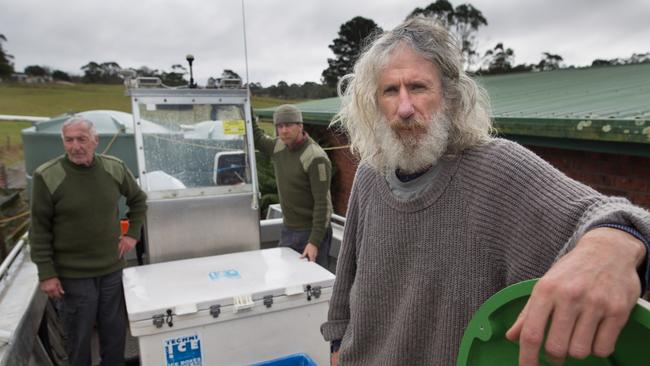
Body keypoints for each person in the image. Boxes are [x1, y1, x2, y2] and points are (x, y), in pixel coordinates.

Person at [320, 17, 650, 366]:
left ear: (449, 97)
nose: (404, 108)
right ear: (374, 103)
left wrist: (612, 244)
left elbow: (616, 217)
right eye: (390, 90)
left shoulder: (497, 169)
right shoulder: (369, 174)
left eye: (418, 87)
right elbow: (346, 281)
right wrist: (337, 346)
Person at [30, 117, 147, 366]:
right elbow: (39, 229)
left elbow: (138, 200)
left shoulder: (113, 168)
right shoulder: (48, 176)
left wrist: (132, 234)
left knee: (115, 334)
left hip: (111, 270)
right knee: (79, 338)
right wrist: (46, 273)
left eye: (81, 139)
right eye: (69, 140)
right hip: (73, 276)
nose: (75, 146)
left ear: (95, 141)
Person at [253, 104, 333, 267]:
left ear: (300, 126)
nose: (283, 131)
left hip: (311, 233)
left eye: (288, 125)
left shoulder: (315, 157)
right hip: (288, 229)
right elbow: (257, 138)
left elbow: (323, 204)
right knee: (289, 279)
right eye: (279, 126)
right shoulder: (278, 146)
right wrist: (246, 105)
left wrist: (314, 242)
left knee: (312, 285)